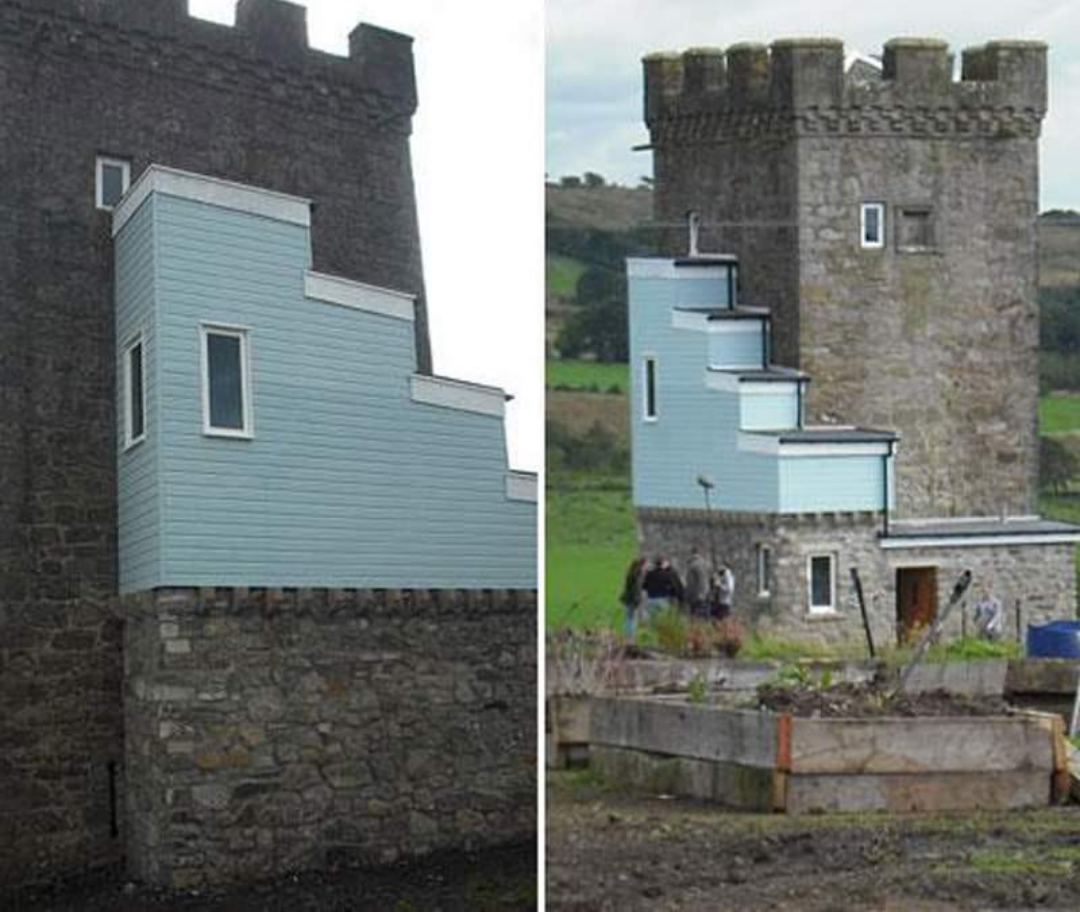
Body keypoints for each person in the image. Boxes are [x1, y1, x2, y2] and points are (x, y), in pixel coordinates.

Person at [643, 555, 684, 620]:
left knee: (652, 620)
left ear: (654, 564)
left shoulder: (649, 574)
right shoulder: (666, 574)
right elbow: (673, 587)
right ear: (662, 564)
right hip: (662, 599)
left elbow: (644, 586)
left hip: (651, 599)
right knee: (662, 620)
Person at [620, 556, 648, 639]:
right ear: (642, 565)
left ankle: (626, 636)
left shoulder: (631, 574)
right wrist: (638, 602)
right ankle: (630, 638)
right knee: (632, 620)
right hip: (633, 600)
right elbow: (637, 590)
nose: (647, 567)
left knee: (628, 619)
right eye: (646, 565)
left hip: (628, 600)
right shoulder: (638, 576)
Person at [685, 546, 711, 619]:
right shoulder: (706, 564)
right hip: (704, 595)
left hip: (697, 596)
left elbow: (692, 583)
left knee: (697, 619)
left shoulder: (694, 565)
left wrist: (688, 596)